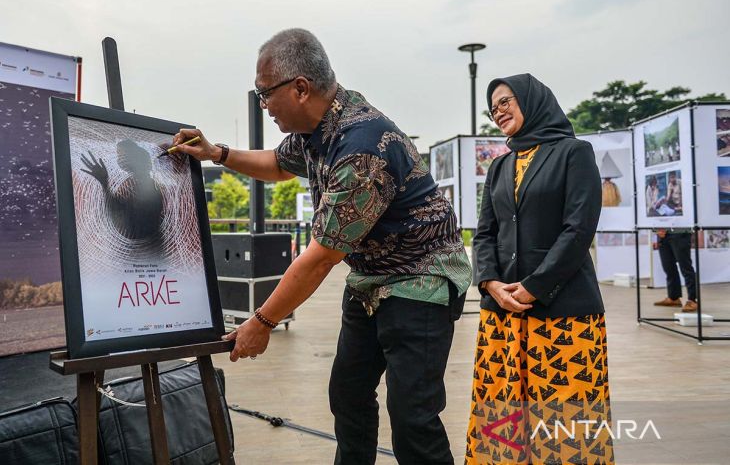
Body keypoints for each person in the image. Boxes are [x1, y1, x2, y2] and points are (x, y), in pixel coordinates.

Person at [172, 28, 471, 465]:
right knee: (348, 394)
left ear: (299, 88)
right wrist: (217, 153)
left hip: (421, 279)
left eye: (264, 94)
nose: (263, 106)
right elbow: (277, 163)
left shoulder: (360, 147)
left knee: (412, 415)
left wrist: (262, 321)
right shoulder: (317, 129)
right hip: (372, 278)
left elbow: (320, 258)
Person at [465, 74, 613, 464]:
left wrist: (533, 286)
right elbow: (484, 234)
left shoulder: (573, 152)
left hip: (563, 315)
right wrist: (490, 282)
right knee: (504, 418)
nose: (498, 111)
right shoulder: (499, 167)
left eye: (506, 101)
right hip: (503, 314)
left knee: (564, 423)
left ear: (532, 101)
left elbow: (579, 229)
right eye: (493, 106)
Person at [653, 228, 698, 312]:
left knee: (685, 267)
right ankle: (673, 297)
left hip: (680, 232)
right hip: (662, 235)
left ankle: (692, 300)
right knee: (668, 267)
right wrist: (657, 231)